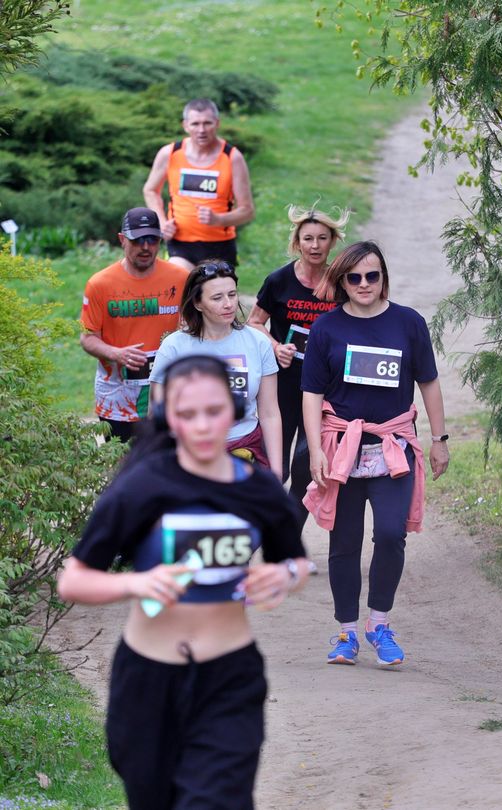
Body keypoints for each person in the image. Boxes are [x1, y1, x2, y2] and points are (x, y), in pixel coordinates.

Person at [57, 354, 309, 810]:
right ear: (167, 416)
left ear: (234, 409)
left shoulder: (257, 487)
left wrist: (284, 575)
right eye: (187, 414)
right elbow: (73, 581)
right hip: (147, 680)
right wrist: (137, 584)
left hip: (229, 677)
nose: (202, 426)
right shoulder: (141, 487)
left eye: (213, 411)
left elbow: (296, 563)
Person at [301, 241, 449, 666]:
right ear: (341, 281)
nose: (363, 284)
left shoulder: (408, 323)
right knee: (344, 542)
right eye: (354, 277)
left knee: (389, 534)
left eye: (372, 276)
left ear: (383, 278)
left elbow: (428, 382)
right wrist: (315, 450)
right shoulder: (326, 328)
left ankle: (378, 624)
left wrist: (439, 439)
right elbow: (311, 393)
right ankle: (346, 632)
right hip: (342, 449)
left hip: (392, 447)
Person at [247, 204, 349, 528]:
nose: (315, 246)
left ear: (333, 241)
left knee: (307, 470)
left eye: (322, 238)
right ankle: (256, 533)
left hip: (323, 391)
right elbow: (254, 323)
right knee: (275, 468)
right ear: (297, 242)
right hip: (282, 387)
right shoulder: (279, 281)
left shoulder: (341, 283)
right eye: (308, 239)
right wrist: (276, 347)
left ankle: (287, 538)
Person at [150, 260, 283, 477]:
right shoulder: (174, 346)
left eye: (232, 294)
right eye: (217, 298)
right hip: (190, 452)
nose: (228, 304)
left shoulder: (258, 342)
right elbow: (157, 413)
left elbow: (269, 413)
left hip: (245, 448)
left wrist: (276, 472)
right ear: (197, 303)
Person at [80, 207, 189, 442]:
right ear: (122, 239)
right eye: (137, 240)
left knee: (164, 459)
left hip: (167, 391)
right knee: (120, 460)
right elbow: (87, 338)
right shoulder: (100, 284)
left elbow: (194, 326)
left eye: (152, 240)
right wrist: (116, 354)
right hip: (117, 395)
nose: (146, 247)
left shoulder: (180, 278)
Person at [143, 98, 254, 270]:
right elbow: (150, 190)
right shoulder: (170, 153)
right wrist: (162, 223)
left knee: (214, 288)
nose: (201, 130)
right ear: (185, 125)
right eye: (195, 124)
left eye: (207, 123)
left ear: (217, 124)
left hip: (219, 246)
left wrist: (218, 219)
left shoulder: (232, 157)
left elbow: (247, 211)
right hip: (180, 245)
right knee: (179, 281)